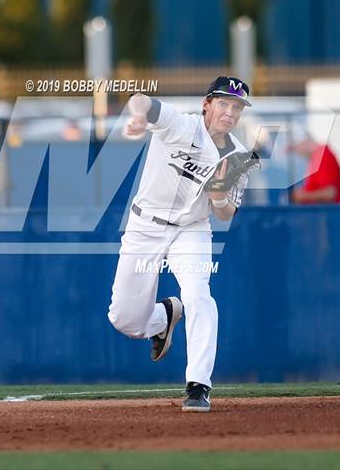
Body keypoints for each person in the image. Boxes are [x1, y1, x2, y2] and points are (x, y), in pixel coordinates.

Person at [108, 76, 252, 412]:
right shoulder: (182, 126)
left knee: (198, 294)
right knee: (125, 321)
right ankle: (165, 315)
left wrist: (218, 197)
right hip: (145, 224)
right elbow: (142, 99)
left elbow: (227, 214)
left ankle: (198, 385)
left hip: (192, 229)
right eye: (223, 103)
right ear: (207, 104)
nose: (229, 112)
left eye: (237, 107)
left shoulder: (240, 157)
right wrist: (140, 117)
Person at [289, 128, 340, 204]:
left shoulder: (323, 156)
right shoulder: (316, 158)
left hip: (328, 214)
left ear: (303, 142)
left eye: (295, 148)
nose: (297, 152)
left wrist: (303, 196)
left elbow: (330, 193)